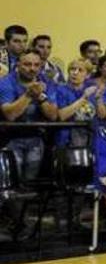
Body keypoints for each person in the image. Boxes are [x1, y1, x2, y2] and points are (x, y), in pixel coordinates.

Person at [1, 51, 59, 183]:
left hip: (36, 139)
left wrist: (40, 97)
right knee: (12, 181)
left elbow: (53, 115)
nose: (32, 68)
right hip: (10, 139)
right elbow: (10, 115)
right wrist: (28, 94)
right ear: (18, 65)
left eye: (36, 65)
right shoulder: (6, 82)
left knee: (30, 183)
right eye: (27, 64)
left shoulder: (47, 83)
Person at [53, 58, 98, 147]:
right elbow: (62, 115)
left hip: (89, 137)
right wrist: (83, 98)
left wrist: (99, 99)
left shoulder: (92, 90)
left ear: (87, 75)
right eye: (72, 69)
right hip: (66, 139)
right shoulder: (60, 89)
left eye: (80, 70)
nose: (75, 73)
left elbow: (101, 115)